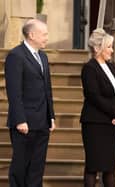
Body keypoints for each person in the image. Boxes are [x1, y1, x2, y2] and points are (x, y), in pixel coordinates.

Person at [4, 18, 56, 187]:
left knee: (37, 167)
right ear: (32, 35)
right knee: (20, 167)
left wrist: (51, 116)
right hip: (24, 123)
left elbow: (47, 89)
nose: (47, 37)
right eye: (44, 34)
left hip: (42, 122)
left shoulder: (43, 56)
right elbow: (14, 91)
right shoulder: (16, 56)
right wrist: (20, 119)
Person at [80, 28, 115, 187]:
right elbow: (93, 96)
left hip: (111, 125)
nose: (112, 50)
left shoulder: (112, 67)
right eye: (109, 47)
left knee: (109, 168)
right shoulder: (89, 68)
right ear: (98, 48)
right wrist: (114, 112)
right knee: (93, 167)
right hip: (94, 124)